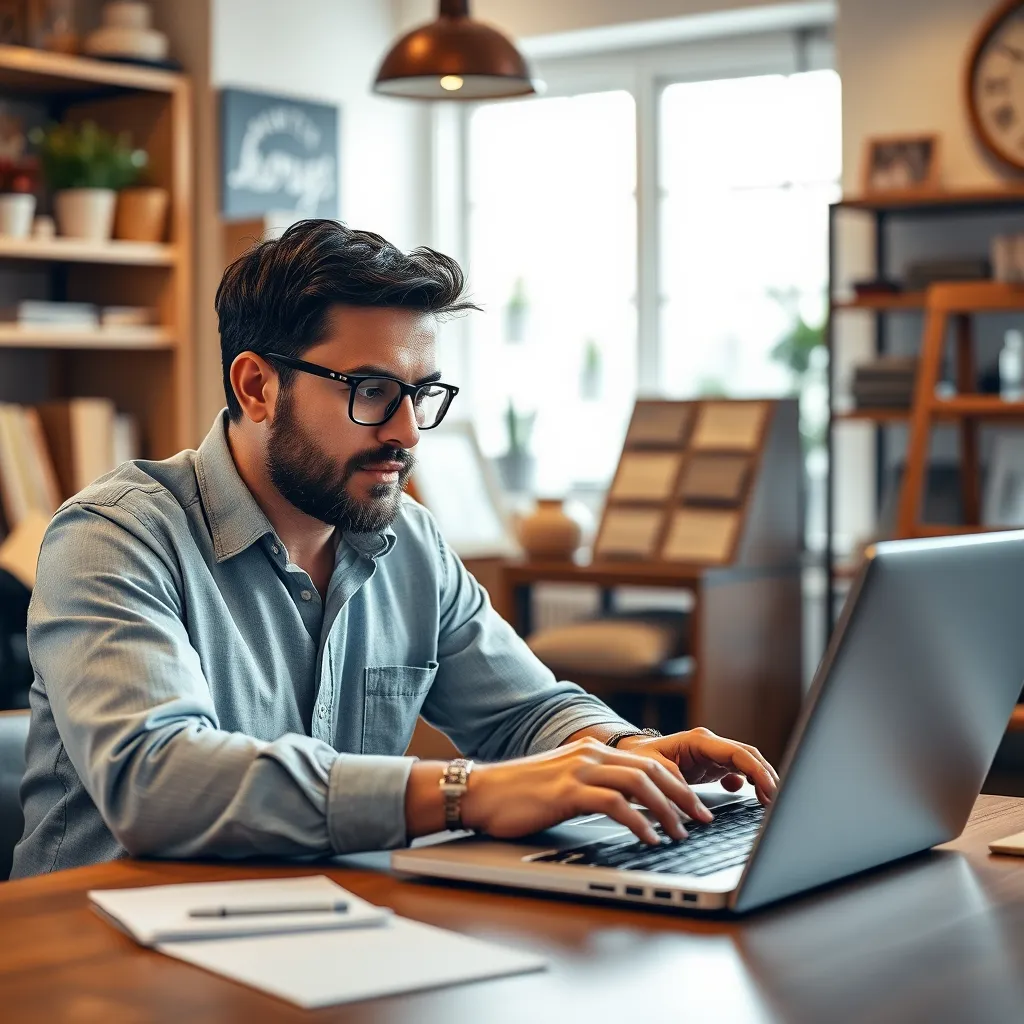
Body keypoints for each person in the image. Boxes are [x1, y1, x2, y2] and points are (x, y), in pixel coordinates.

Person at [11, 220, 777, 878]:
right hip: (105, 956)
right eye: (371, 390)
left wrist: (624, 755)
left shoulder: (407, 540)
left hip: (320, 932)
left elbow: (526, 713)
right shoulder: (112, 538)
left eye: (422, 394)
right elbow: (157, 781)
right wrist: (460, 792)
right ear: (255, 388)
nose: (408, 433)